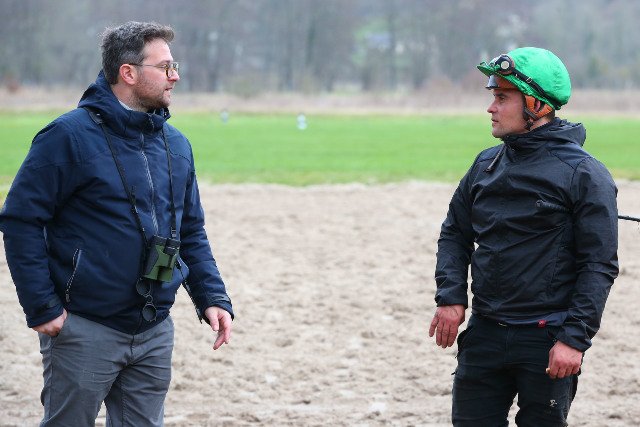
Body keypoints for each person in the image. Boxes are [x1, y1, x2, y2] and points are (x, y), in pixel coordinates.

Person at [0, 21, 233, 426]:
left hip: (154, 330)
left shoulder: (176, 145)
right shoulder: (67, 137)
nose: (175, 76)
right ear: (128, 73)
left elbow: (190, 230)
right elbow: (21, 221)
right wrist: (42, 307)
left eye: (175, 66)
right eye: (165, 66)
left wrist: (211, 296)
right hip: (83, 328)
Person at [428, 47, 618, 426]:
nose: (491, 108)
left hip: (548, 338)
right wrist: (451, 296)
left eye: (502, 98)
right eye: (493, 97)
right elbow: (455, 233)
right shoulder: (485, 164)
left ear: (536, 105)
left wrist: (574, 339)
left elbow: (598, 265)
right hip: (484, 332)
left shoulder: (585, 174)